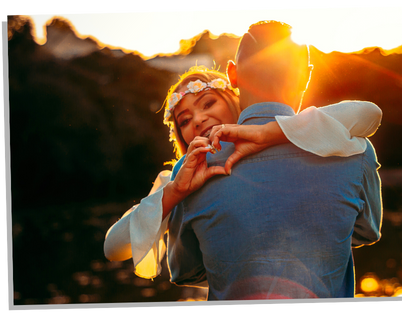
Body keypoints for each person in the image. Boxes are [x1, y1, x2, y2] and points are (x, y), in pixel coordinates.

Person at [162, 20, 383, 300]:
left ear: (232, 74)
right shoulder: (354, 148)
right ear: (306, 76)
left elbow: (185, 271)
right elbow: (367, 231)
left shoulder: (192, 170)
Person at [104, 65, 383, 283]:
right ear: (181, 136)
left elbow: (367, 112)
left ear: (233, 99)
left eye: (207, 103)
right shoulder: (179, 180)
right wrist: (176, 192)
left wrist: (267, 133)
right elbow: (113, 248)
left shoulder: (293, 135)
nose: (198, 119)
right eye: (185, 120)